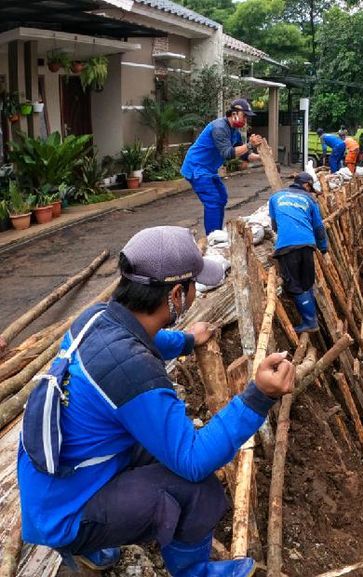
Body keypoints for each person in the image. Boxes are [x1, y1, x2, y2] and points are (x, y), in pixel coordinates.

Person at [17, 226, 295, 577]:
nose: (196, 292)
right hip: (64, 514)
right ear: (176, 295)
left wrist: (184, 341)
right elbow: (193, 459)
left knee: (152, 446)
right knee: (198, 490)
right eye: (195, 285)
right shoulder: (132, 372)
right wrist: (258, 396)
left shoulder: (96, 318)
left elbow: (141, 341)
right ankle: (194, 572)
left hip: (51, 483)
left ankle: (91, 549)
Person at [181, 99, 264, 236]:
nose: (246, 120)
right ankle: (213, 238)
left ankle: (217, 233)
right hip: (197, 168)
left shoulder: (234, 132)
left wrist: (261, 156)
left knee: (221, 197)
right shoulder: (219, 128)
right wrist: (249, 144)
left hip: (209, 170)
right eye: (245, 116)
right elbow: (228, 153)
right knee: (213, 200)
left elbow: (243, 155)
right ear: (235, 113)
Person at [268, 173, 328, 333]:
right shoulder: (310, 200)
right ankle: (311, 318)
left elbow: (274, 224)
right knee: (306, 282)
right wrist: (324, 249)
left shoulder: (275, 197)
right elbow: (319, 228)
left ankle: (310, 322)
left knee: (294, 284)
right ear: (307, 185)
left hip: (287, 246)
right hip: (308, 244)